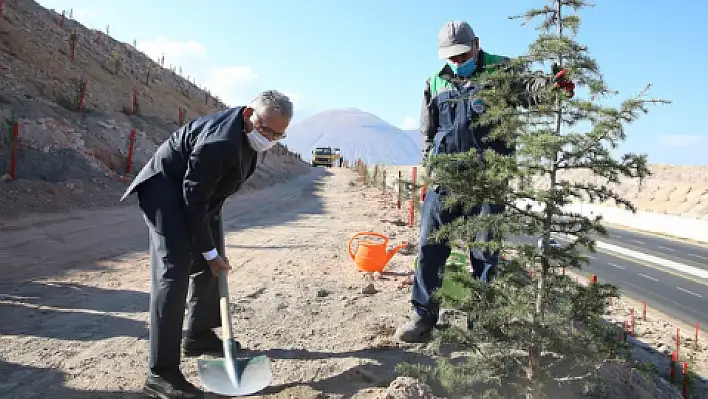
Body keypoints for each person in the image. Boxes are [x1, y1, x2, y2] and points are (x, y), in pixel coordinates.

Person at [395, 20, 574, 343]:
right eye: (451, 57)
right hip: (445, 179)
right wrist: (429, 172)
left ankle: (482, 323)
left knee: (485, 251)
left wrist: (551, 87)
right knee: (430, 247)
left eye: (463, 55)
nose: (458, 62)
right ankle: (422, 317)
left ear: (476, 44)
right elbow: (428, 133)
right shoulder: (434, 82)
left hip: (488, 180)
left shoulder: (501, 69)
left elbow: (531, 91)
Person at [119, 90, 293, 398]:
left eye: (278, 135)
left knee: (213, 263)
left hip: (199, 197)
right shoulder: (219, 143)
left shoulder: (249, 134)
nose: (269, 138)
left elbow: (208, 193)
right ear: (247, 114)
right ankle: (160, 373)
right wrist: (209, 251)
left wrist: (212, 252)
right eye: (266, 130)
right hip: (165, 193)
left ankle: (198, 335)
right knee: (174, 274)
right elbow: (192, 199)